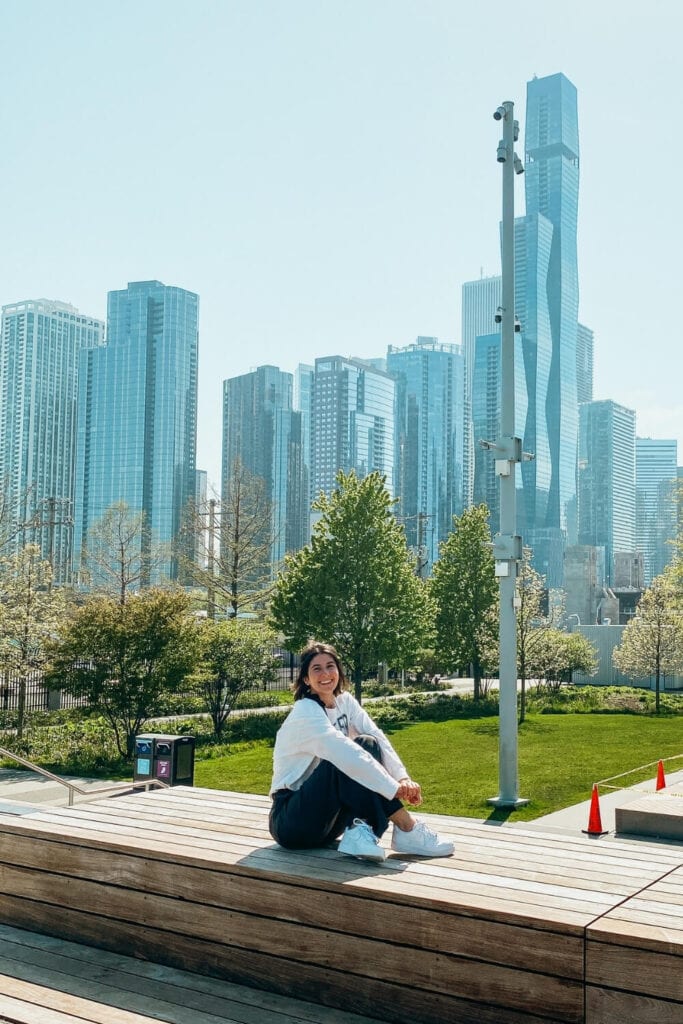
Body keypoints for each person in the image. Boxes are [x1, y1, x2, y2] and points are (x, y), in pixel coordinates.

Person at [269, 641, 454, 861]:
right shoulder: (305, 712)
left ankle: (359, 831)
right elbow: (345, 752)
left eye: (330, 666)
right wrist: (392, 788)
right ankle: (407, 827)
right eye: (316, 669)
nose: (325, 673)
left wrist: (402, 777)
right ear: (306, 679)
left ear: (338, 670)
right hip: (292, 823)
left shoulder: (345, 701)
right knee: (347, 757)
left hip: (327, 825)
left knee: (369, 742)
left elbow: (377, 737)